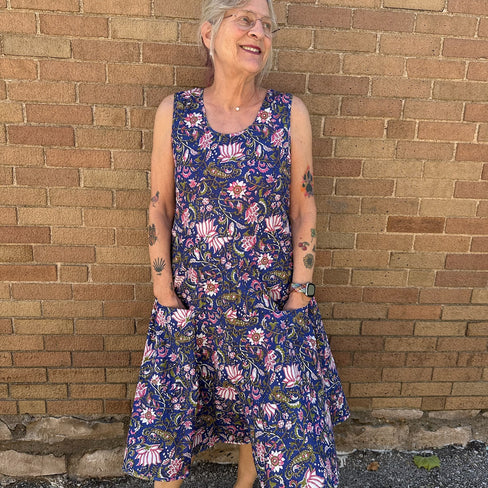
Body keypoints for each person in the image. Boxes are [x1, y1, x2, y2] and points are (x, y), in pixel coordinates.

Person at [122, 0, 349, 486]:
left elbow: (304, 208)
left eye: (266, 25)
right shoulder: (176, 112)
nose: (258, 32)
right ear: (209, 33)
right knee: (171, 424)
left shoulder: (289, 114)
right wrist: (163, 287)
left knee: (267, 416)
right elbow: (160, 206)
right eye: (245, 19)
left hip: (269, 302)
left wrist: (300, 292)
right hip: (193, 303)